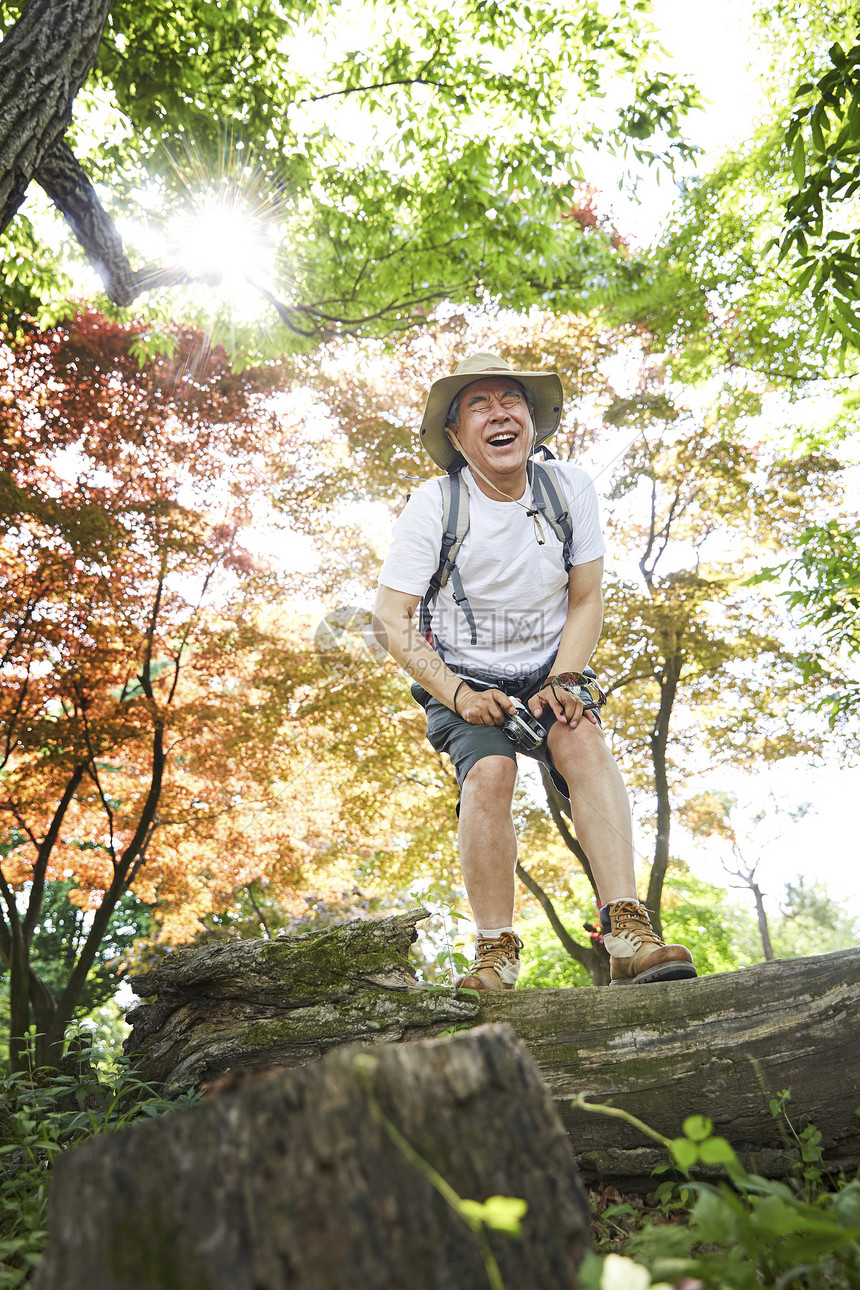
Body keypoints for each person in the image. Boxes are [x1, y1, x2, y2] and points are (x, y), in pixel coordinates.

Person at [372, 352, 696, 990]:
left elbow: (586, 597)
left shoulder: (569, 488)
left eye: (510, 400)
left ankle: (628, 934)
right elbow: (388, 617)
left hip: (552, 666)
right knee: (490, 775)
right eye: (478, 405)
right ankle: (495, 953)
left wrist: (567, 679)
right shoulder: (434, 506)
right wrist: (459, 694)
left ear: (532, 419)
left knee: (583, 740)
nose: (499, 414)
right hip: (462, 674)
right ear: (456, 436)